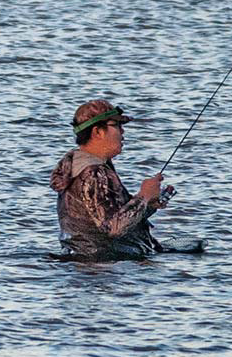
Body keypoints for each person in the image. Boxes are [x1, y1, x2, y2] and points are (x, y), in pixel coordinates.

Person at [49, 99, 171, 260]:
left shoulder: (82, 164)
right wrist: (144, 196)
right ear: (97, 132)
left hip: (85, 260)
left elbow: (109, 218)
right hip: (99, 264)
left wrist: (148, 204)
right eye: (117, 126)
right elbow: (113, 228)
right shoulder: (94, 172)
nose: (122, 132)